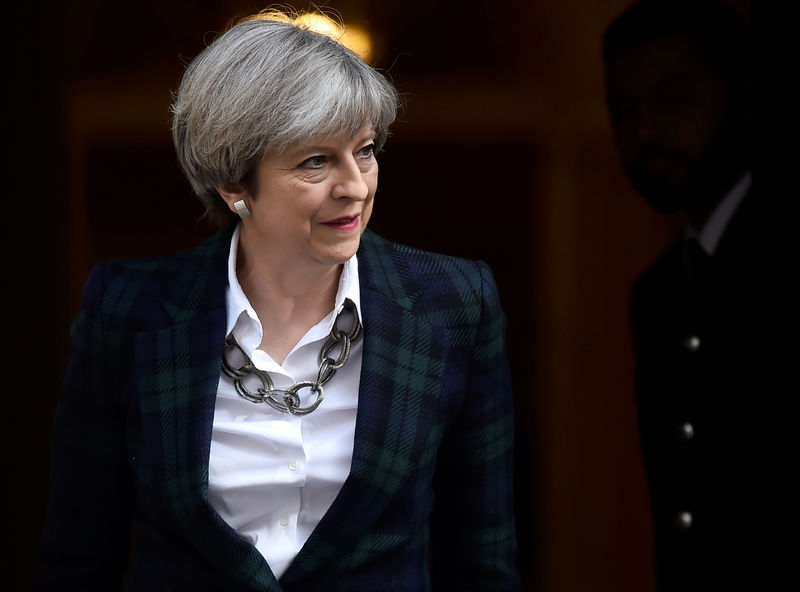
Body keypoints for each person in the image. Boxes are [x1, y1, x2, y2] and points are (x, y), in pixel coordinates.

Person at [34, 10, 519, 591]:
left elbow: (482, 563)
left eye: (363, 150)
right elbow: (77, 560)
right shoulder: (128, 310)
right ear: (234, 184)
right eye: (317, 161)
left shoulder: (454, 304)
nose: (356, 186)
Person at [603, 1, 797, 590]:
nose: (646, 132)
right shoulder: (660, 294)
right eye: (625, 110)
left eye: (673, 100)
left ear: (739, 92)